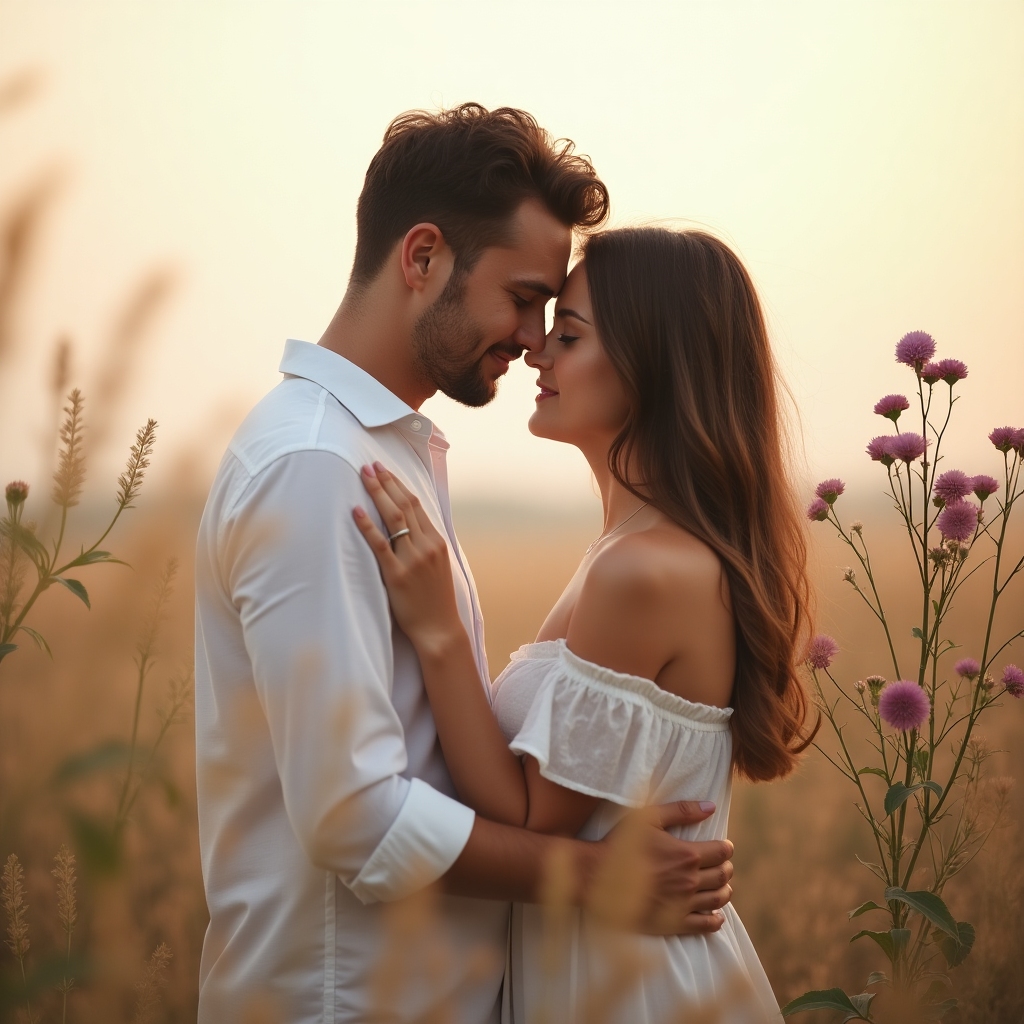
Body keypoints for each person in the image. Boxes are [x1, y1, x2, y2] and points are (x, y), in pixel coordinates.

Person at [194, 105, 736, 1024]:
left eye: (555, 317)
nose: (534, 338)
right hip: (348, 1000)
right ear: (423, 259)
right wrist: (601, 879)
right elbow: (353, 815)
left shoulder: (389, 454)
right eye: (526, 298)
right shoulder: (317, 469)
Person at [353, 226, 817, 1023]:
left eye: (568, 335)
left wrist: (437, 630)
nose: (536, 352)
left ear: (653, 366)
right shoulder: (625, 552)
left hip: (636, 989)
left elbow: (525, 815)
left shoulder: (640, 572)